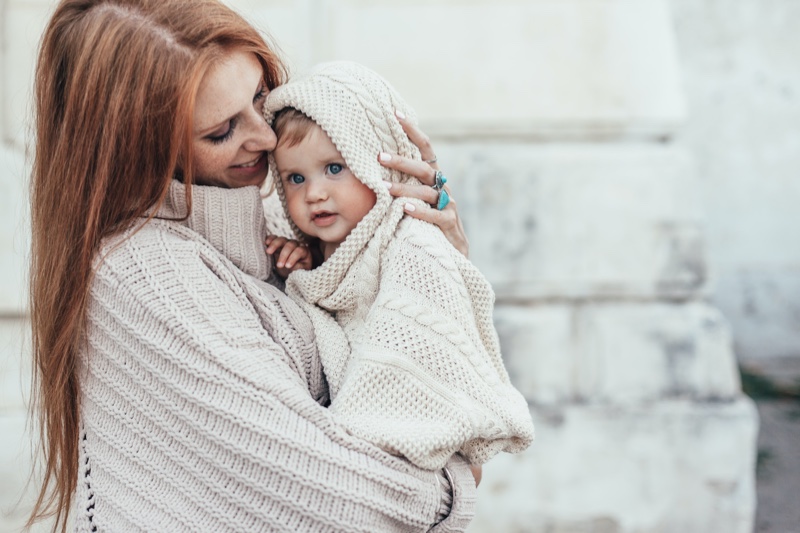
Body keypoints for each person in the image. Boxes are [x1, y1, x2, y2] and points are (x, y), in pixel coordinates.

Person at [28, 1, 479, 531]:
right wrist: (453, 481)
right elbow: (327, 495)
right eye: (221, 132)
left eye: (260, 95)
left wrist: (423, 250)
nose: (265, 138)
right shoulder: (146, 276)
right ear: (138, 151)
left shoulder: (281, 220)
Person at [261, 62, 534, 472]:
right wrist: (302, 269)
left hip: (397, 451)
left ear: (380, 167)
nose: (315, 193)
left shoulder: (412, 242)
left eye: (335, 168)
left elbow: (413, 342)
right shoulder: (315, 255)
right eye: (295, 178)